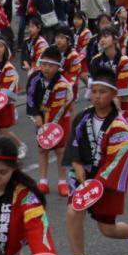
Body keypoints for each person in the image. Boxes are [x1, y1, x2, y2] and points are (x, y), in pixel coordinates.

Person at [63, 68, 128, 255]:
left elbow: (115, 164)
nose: (97, 96)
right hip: (83, 176)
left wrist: (95, 184)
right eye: (94, 91)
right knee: (73, 212)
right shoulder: (82, 117)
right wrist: (77, 165)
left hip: (105, 182)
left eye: (102, 92)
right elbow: (73, 143)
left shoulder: (121, 128)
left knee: (107, 229)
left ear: (113, 94)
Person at [25, 46, 75, 195]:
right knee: (42, 148)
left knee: (60, 150)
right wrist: (36, 115)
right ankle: (43, 181)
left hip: (60, 118)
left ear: (58, 67)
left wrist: (49, 126)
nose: (46, 68)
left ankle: (62, 182)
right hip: (41, 116)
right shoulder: (34, 77)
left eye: (51, 65)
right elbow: (30, 97)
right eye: (44, 64)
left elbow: (60, 109)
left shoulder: (62, 84)